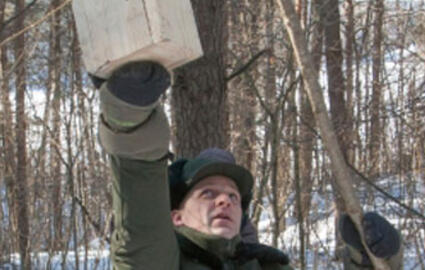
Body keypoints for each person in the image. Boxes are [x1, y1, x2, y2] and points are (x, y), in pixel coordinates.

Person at [95, 61, 402, 269]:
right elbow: (143, 215)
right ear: (175, 217)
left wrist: (373, 260)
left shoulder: (269, 265)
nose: (225, 199)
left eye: (233, 197)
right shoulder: (156, 260)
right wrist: (131, 117)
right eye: (207, 193)